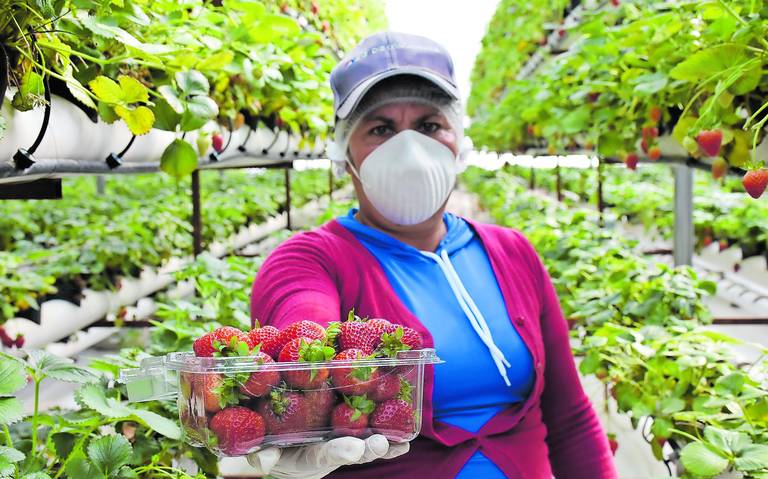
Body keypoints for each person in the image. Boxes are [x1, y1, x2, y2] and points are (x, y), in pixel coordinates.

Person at [247, 31, 617, 478]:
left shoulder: (512, 251)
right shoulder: (310, 259)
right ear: (345, 155)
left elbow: (570, 415)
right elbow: (304, 331)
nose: (409, 150)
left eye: (429, 126)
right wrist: (306, 385)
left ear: (458, 142)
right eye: (381, 129)